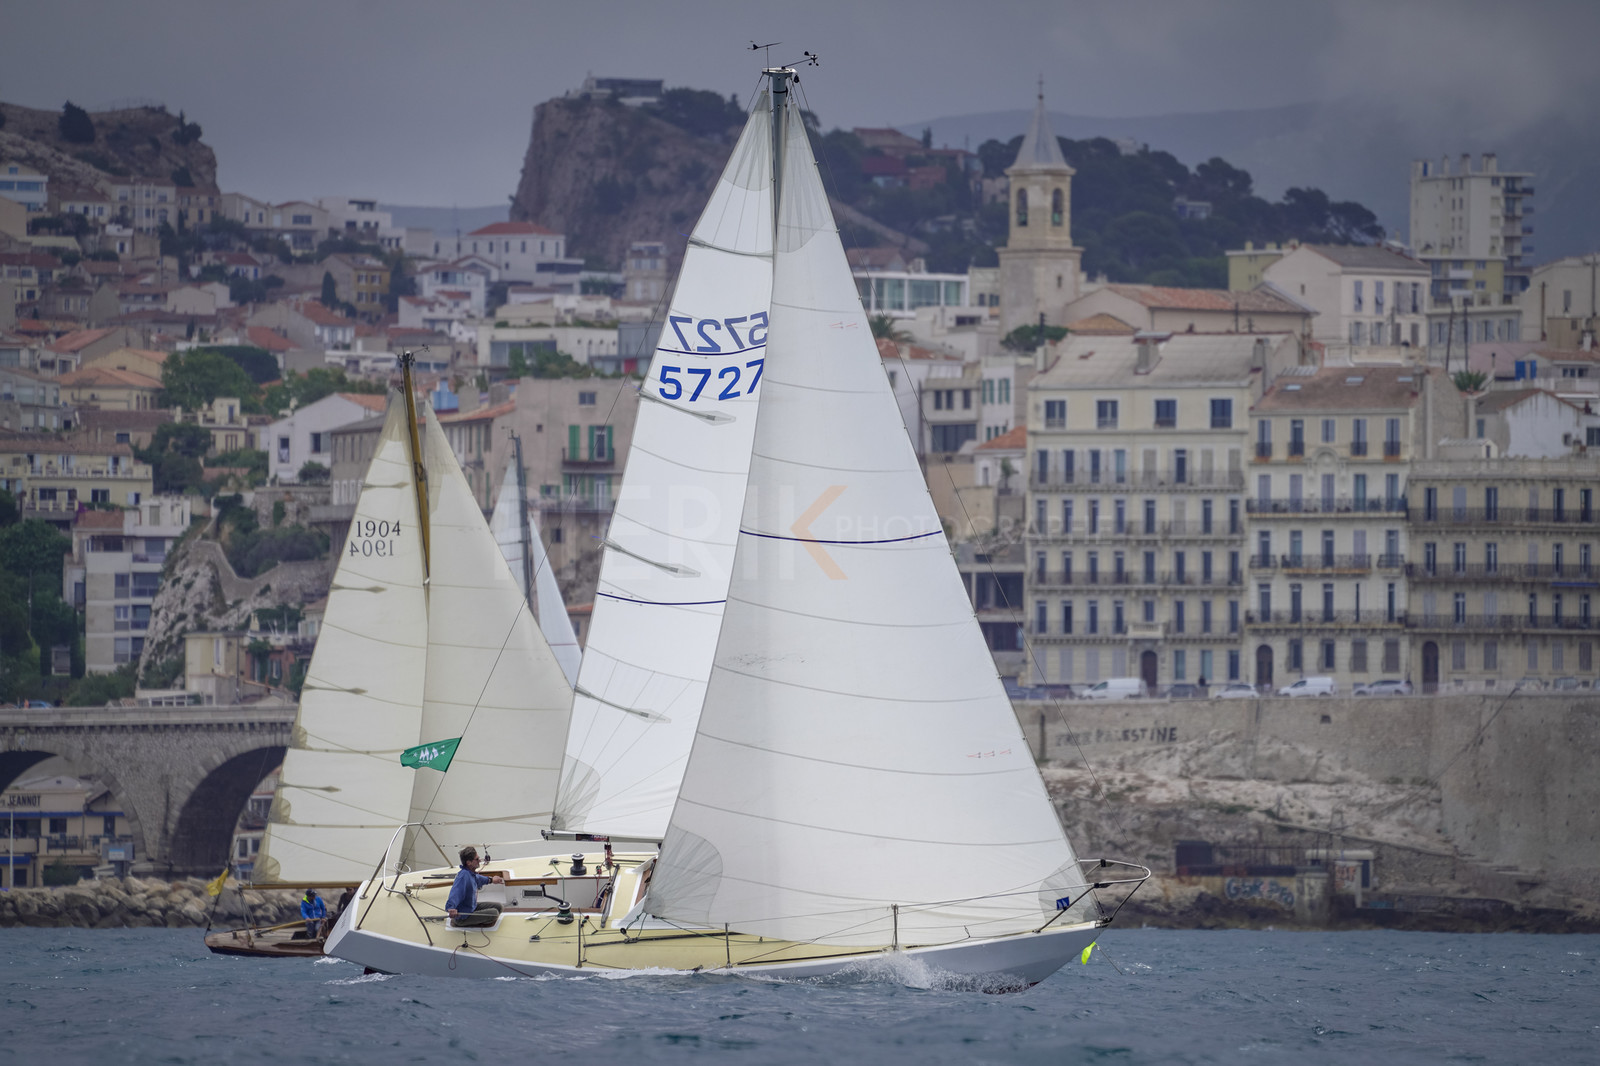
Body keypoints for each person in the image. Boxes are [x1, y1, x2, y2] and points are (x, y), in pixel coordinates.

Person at [445, 846, 504, 927]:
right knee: (494, 913)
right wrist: (451, 908)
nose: (479, 860)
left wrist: (491, 880)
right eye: (477, 859)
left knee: (499, 907)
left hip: (471, 907)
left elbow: (478, 879)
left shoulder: (470, 873)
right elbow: (455, 892)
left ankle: (477, 918)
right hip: (463, 916)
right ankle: (468, 923)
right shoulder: (463, 876)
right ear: (469, 862)